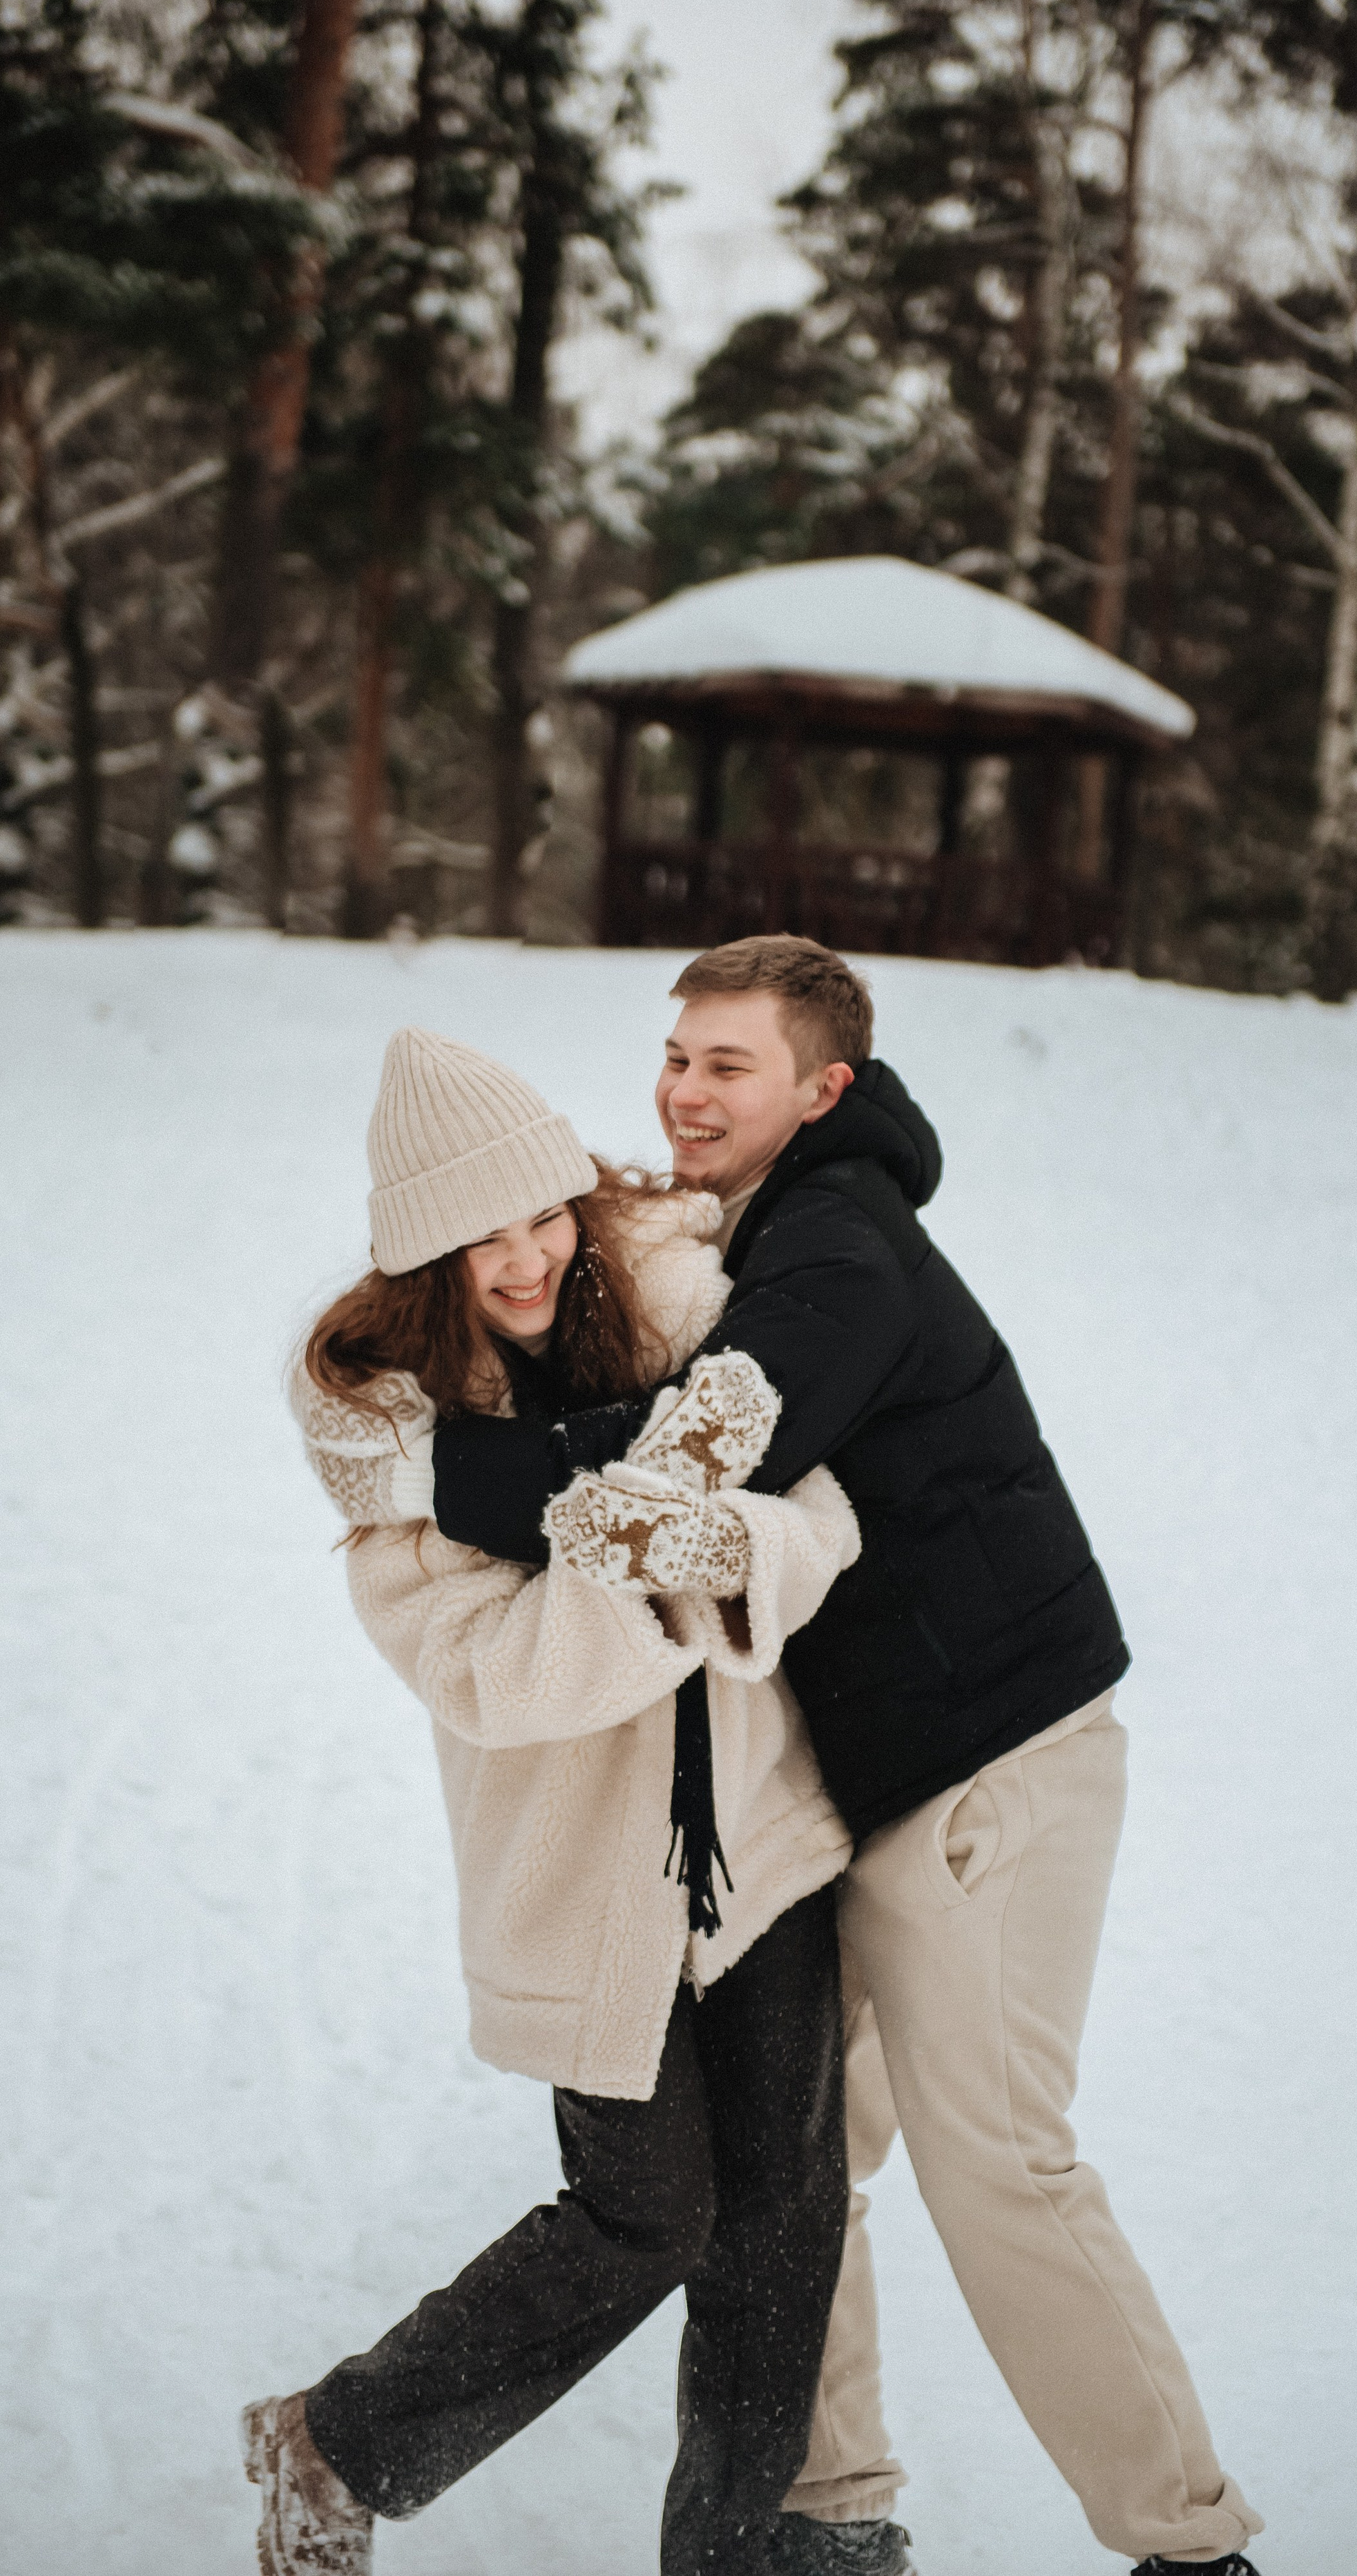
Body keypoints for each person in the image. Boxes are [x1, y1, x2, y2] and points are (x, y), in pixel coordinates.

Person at [427, 938, 1267, 2576]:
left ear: (822, 1087)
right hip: (880, 1781)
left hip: (984, 1769)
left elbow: (685, 1462)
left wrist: (446, 1475)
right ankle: (828, 2514)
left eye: (727, 1065)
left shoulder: (839, 1247)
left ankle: (1186, 2547)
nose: (683, 1091)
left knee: (999, 2162)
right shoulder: (763, 1228)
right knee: (797, 2169)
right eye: (676, 1054)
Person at [242, 1027, 867, 2576]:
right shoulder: (392, 1456)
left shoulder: (686, 1317)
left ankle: (729, 2557)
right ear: (425, 1262)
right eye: (483, 1237)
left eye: (542, 1215)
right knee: (645, 2216)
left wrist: (729, 1546)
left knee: (785, 2218)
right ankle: (337, 2443)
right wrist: (641, 1542)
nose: (525, 1259)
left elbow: (823, 1507)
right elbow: (499, 1677)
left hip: (759, 1831)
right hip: (584, 1884)